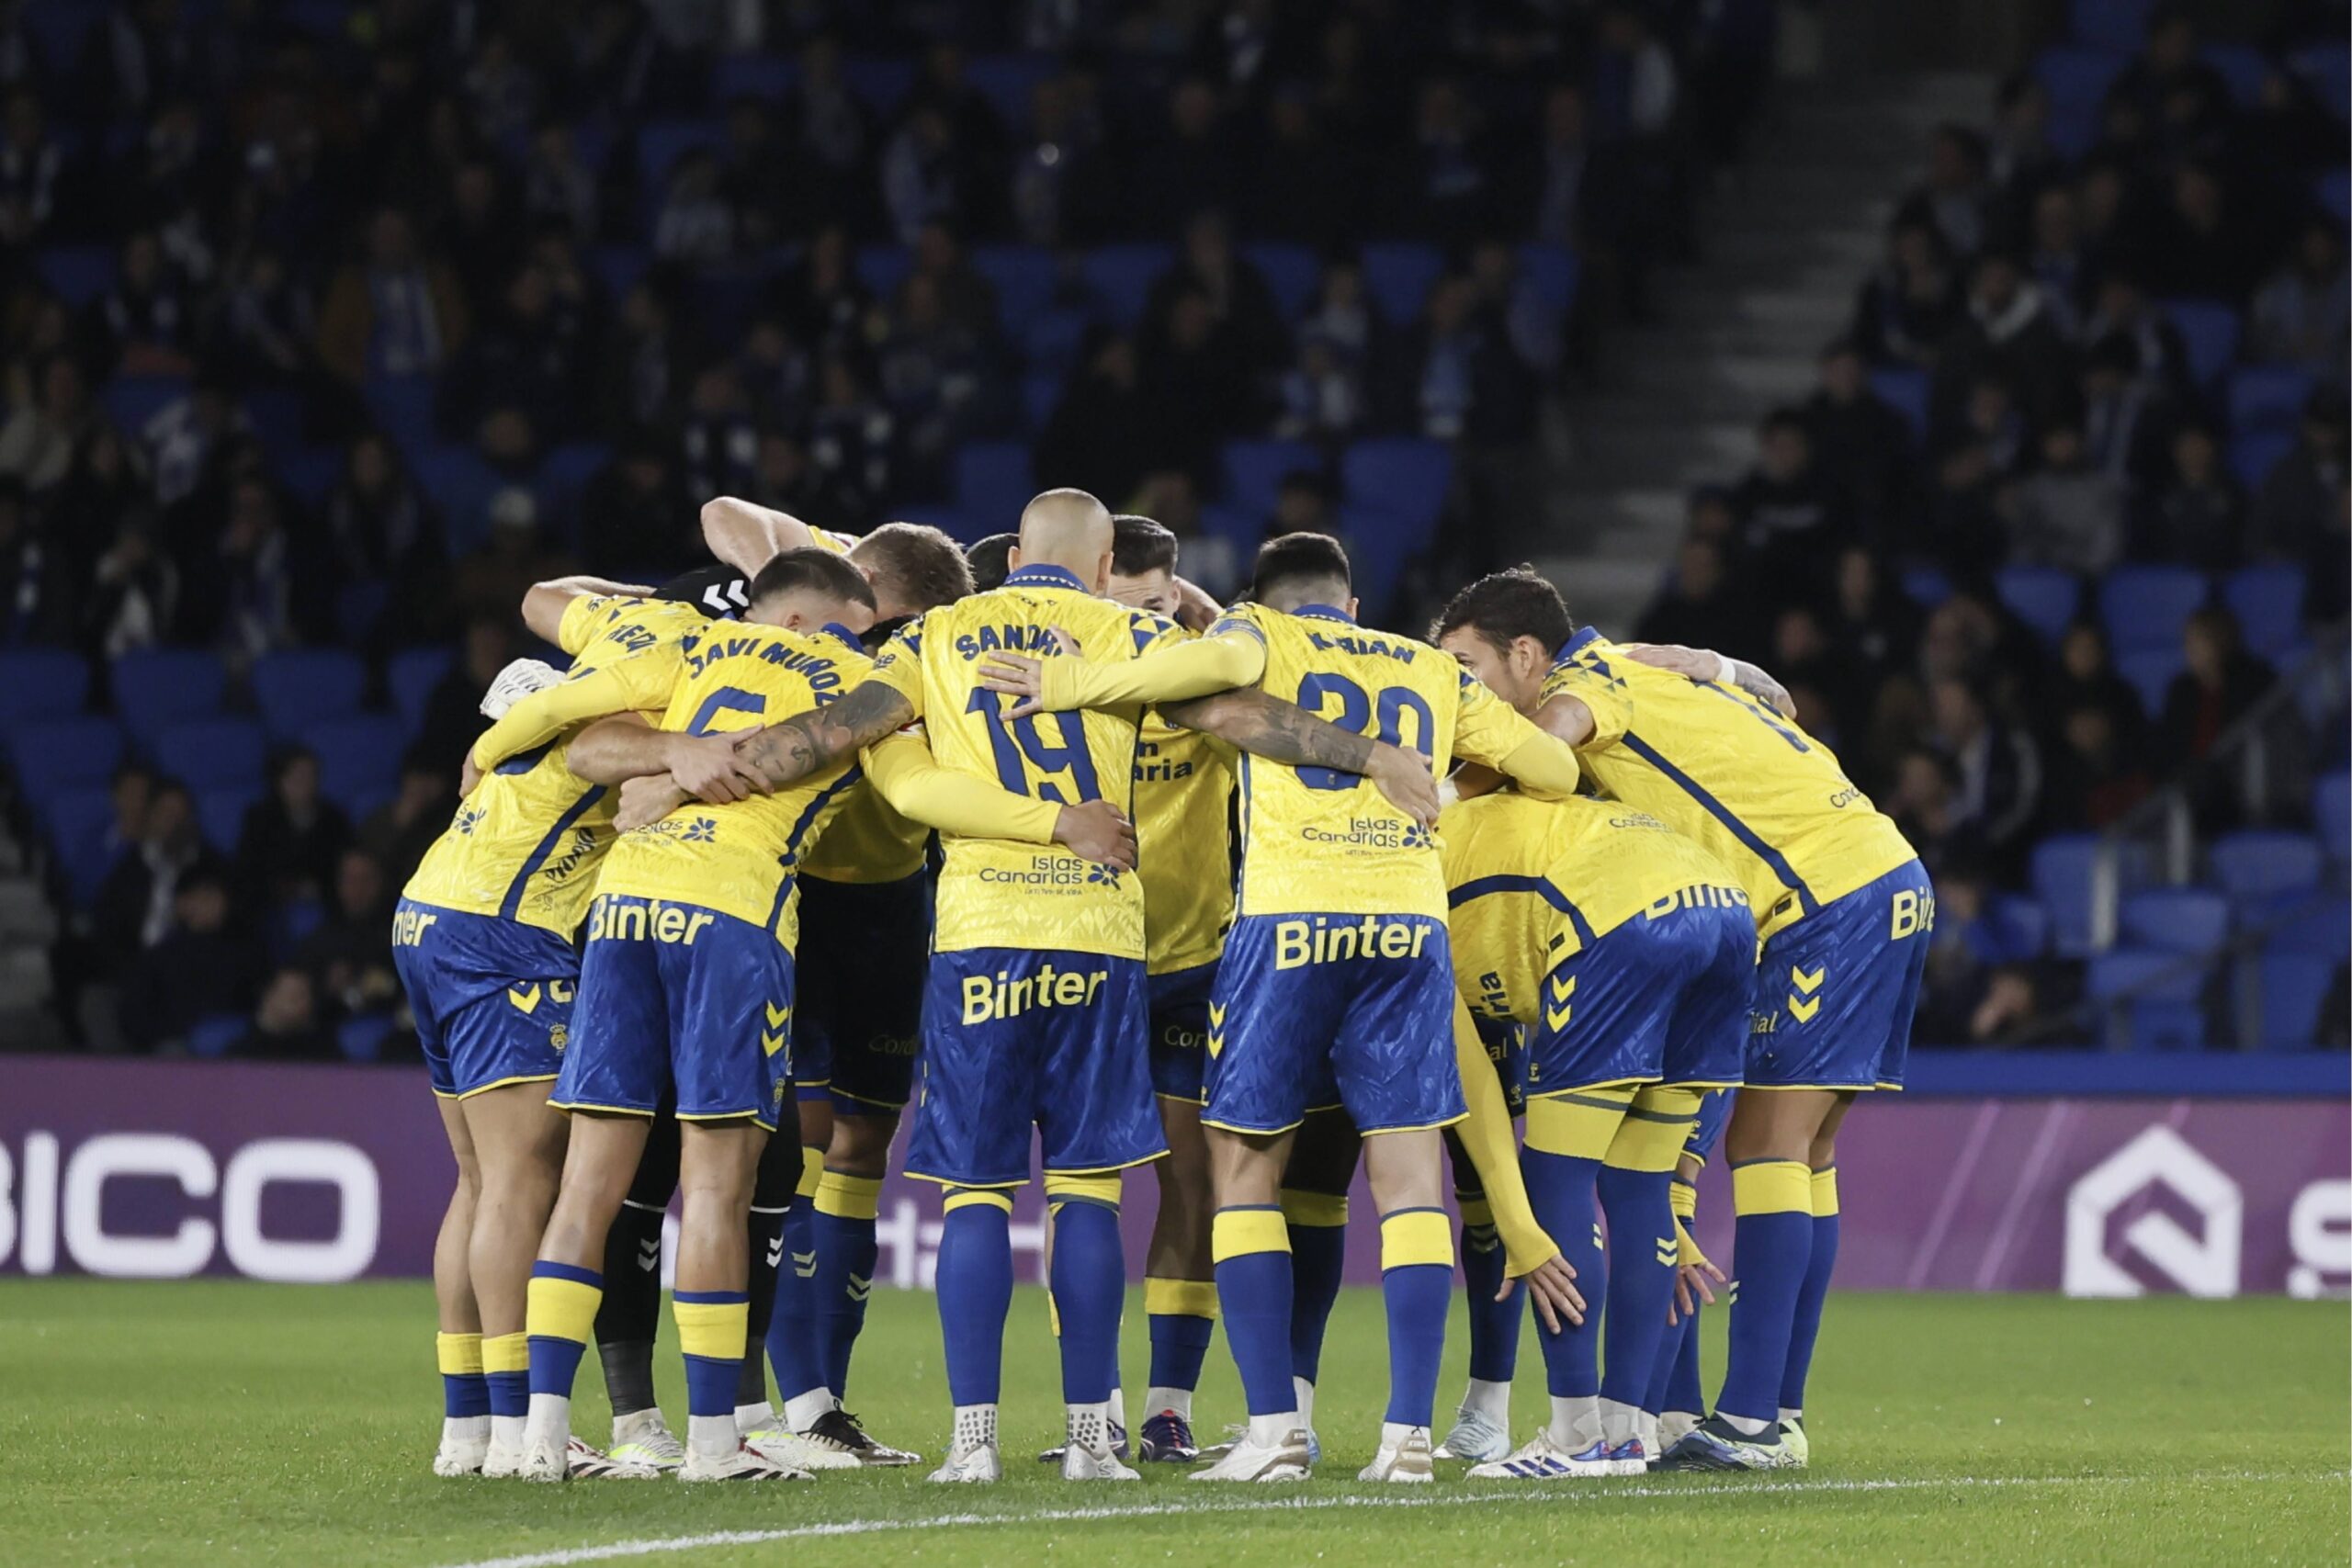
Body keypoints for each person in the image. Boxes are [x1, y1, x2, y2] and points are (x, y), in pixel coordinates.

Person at [975, 527, 1589, 1483]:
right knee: (1410, 1180)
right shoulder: (1428, 669)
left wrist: (1062, 686)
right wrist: (1452, 781)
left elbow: (1196, 672)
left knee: (1243, 1167)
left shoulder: (1258, 633)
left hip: (1290, 920)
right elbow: (1554, 769)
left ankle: (1274, 1435)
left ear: (1264, 598)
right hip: (1406, 925)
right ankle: (1406, 1441)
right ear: (1349, 604)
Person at [1433, 568, 1931, 1472]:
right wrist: (1724, 665)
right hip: (1881, 873)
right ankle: (1770, 1412)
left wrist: (1425, 795)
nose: (1457, 693)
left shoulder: (1581, 688)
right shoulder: (1642, 668)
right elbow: (1683, 667)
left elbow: (1547, 742)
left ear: (1524, 655)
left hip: (1816, 897)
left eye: (1465, 668)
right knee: (1806, 1159)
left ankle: (1749, 1423)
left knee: (1768, 1148)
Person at [390, 577, 706, 1482]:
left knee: (481, 1179)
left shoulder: (598, 652)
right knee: (524, 1180)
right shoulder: (649, 695)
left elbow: (547, 597)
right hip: (500, 937)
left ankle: (469, 1432)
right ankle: (529, 1429)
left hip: (431, 914)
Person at [1430, 786, 1753, 1478]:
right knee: (1641, 1188)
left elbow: (1476, 1083)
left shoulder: (1407, 877)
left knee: (1556, 1175)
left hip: (1616, 915)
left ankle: (1576, 1435)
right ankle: (1627, 1435)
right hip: (1724, 909)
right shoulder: (1504, 817)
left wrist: (1517, 1221)